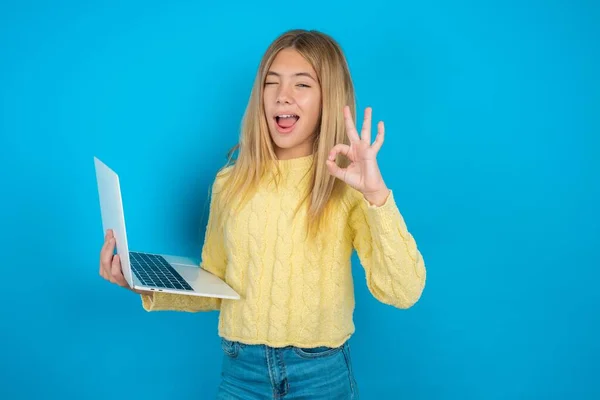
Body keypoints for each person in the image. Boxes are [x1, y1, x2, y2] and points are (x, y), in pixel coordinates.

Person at [99, 28, 426, 399]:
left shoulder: (347, 184)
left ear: (327, 98)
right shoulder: (231, 182)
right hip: (241, 373)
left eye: (302, 84)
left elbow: (403, 291)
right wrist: (139, 281)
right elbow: (216, 286)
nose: (282, 96)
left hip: (320, 375)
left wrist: (375, 194)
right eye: (272, 83)